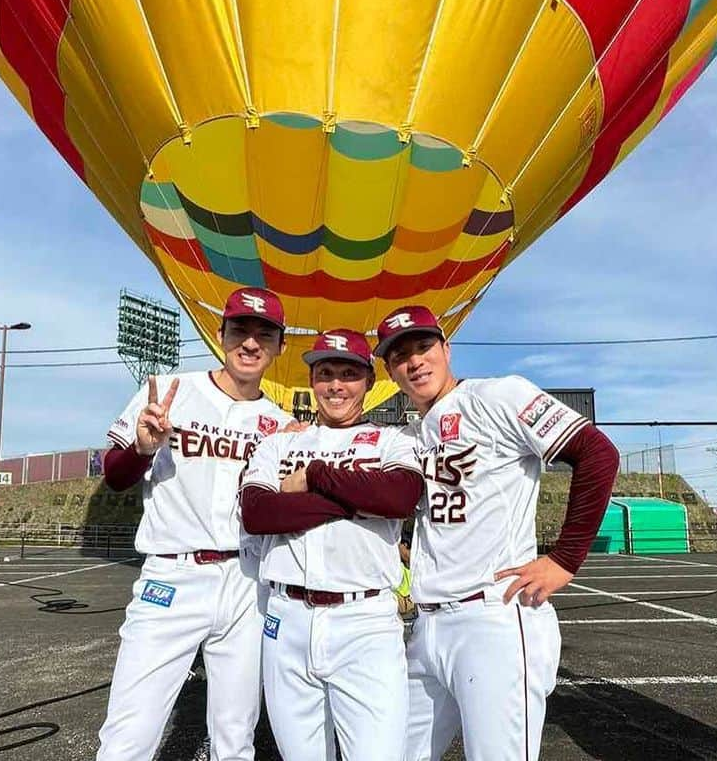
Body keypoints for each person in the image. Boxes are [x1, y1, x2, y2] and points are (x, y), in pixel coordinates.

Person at [372, 305, 620, 761]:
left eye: (424, 346)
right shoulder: (409, 434)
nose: (415, 361)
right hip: (428, 626)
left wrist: (565, 559)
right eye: (400, 355)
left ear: (446, 349)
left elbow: (598, 454)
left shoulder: (497, 395)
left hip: (494, 618)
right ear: (389, 370)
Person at [96, 287, 292, 761]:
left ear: (280, 347)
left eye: (264, 334)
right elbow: (115, 476)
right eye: (240, 330)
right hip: (174, 573)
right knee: (130, 735)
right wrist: (143, 447)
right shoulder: (169, 391)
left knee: (235, 737)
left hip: (247, 581)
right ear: (220, 334)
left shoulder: (280, 422)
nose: (250, 343)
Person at [239, 329, 424, 761]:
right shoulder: (280, 443)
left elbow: (398, 497)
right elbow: (260, 514)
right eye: (325, 373)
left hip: (365, 621)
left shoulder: (393, 441)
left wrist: (316, 477)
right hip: (287, 618)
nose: (336, 385)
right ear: (312, 380)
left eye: (349, 373)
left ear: (368, 380)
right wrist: (356, 502)